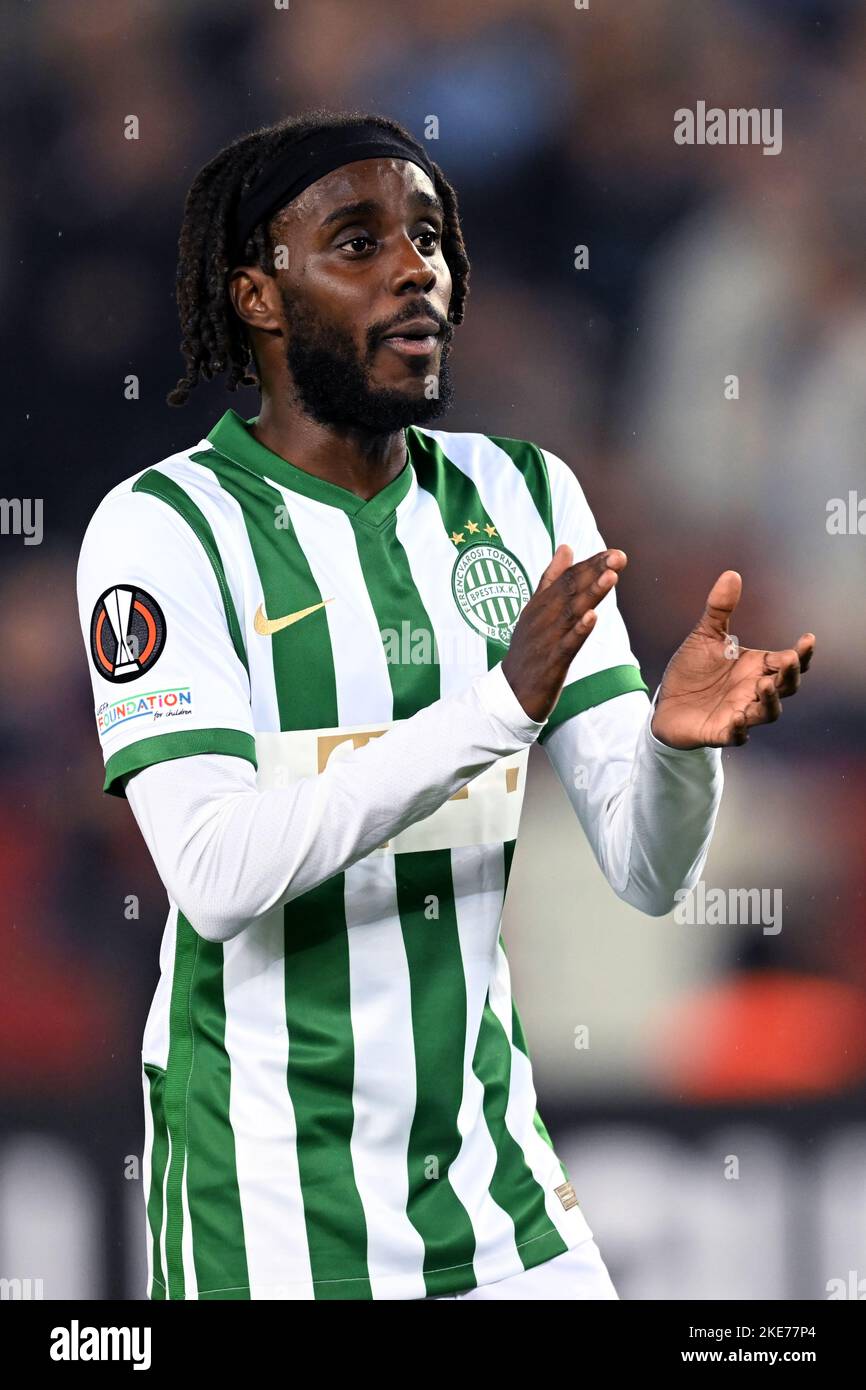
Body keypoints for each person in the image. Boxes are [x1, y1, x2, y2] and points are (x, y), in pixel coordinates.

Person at [76, 110, 814, 1301]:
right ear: (257, 296)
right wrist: (493, 706)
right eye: (356, 242)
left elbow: (646, 866)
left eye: (428, 236)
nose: (415, 267)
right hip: (265, 1222)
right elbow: (212, 875)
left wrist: (678, 752)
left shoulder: (520, 495)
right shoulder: (165, 530)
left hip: (500, 1205)